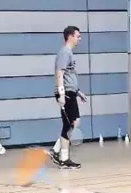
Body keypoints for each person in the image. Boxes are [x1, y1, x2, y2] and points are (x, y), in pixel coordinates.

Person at [50, 25, 86, 169]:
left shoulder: (69, 53)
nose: (80, 39)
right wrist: (61, 93)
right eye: (78, 36)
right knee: (71, 123)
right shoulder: (65, 52)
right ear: (70, 36)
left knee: (72, 122)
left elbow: (69, 76)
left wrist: (78, 92)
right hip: (66, 93)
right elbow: (60, 73)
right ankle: (62, 157)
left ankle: (57, 152)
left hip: (71, 92)